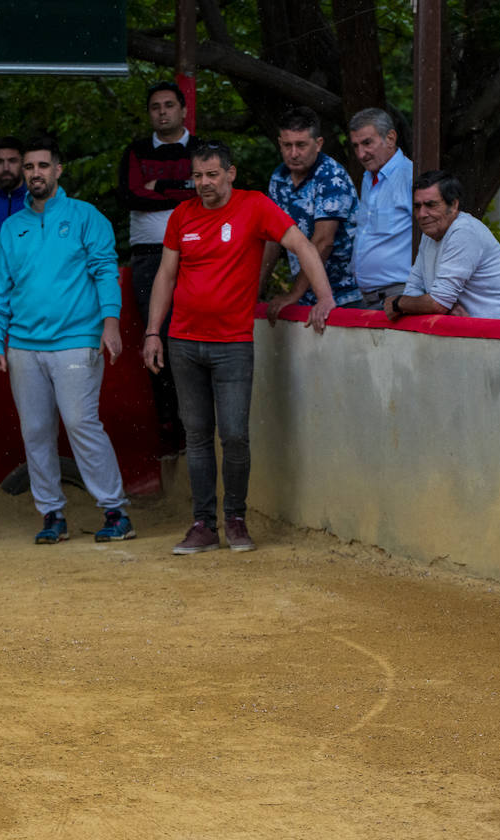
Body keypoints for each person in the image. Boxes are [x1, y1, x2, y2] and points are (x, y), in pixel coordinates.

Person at [142, 140, 335, 554]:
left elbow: (302, 245)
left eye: (212, 174)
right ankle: (202, 523)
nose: (204, 183)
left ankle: (236, 519)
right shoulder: (181, 215)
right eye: (197, 176)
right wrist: (153, 332)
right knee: (196, 435)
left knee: (233, 435)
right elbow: (165, 276)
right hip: (183, 341)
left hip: (232, 343)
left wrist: (324, 298)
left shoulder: (255, 206)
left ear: (230, 173)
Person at [0, 136, 136, 545]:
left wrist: (111, 324)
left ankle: (115, 511)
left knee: (80, 423)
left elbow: (106, 271)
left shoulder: (87, 217)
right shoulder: (12, 227)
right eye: (29, 167)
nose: (35, 173)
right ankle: (52, 515)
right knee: (35, 431)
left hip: (76, 339)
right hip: (23, 346)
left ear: (58, 170)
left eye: (42, 166)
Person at [118, 80, 197, 457]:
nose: (162, 112)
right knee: (158, 337)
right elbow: (131, 195)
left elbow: (208, 191)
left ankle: (194, 426)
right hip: (150, 255)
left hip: (197, 253)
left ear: (183, 110)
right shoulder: (135, 151)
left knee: (194, 334)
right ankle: (169, 426)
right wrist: (184, 189)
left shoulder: (202, 150)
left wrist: (162, 184)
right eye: (155, 107)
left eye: (169, 105)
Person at [260, 106, 361, 323]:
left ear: (318, 144)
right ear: (279, 143)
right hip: (304, 296)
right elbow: (272, 238)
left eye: (301, 145)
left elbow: (324, 241)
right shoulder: (279, 177)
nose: (294, 153)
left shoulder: (330, 176)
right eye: (287, 145)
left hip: (343, 294)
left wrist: (293, 293)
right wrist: (255, 291)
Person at [388, 171, 500, 321]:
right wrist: (430, 305)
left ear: (454, 205)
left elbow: (437, 303)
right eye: (417, 206)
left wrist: (397, 303)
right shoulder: (429, 234)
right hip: (475, 334)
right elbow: (414, 289)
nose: (422, 214)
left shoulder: (464, 231)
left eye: (431, 205)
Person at [347, 108, 413, 310]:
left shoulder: (409, 176)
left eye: (367, 143)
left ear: (391, 138)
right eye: (356, 146)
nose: (360, 154)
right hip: (370, 298)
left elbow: (435, 235)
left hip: (398, 296)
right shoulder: (369, 177)